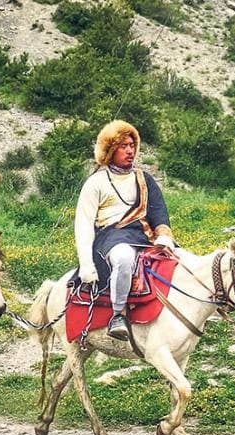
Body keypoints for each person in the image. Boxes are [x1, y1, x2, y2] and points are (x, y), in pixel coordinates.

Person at [74, 120, 174, 341]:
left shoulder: (144, 179)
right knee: (123, 258)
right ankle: (118, 315)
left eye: (132, 145)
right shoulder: (96, 182)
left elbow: (159, 212)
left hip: (144, 236)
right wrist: (86, 265)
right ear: (110, 150)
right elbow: (83, 224)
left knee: (177, 259)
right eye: (123, 146)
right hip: (110, 239)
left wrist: (164, 237)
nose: (130, 151)